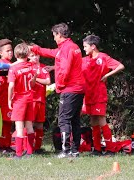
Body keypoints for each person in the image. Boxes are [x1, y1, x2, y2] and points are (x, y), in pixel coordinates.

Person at [29, 22, 85, 158]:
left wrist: (60, 84)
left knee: (64, 120)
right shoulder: (71, 46)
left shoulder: (66, 48)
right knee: (75, 120)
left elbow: (65, 70)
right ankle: (75, 150)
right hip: (78, 89)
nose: (54, 38)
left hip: (69, 89)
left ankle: (65, 151)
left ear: (59, 35)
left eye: (54, 35)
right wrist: (35, 49)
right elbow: (52, 53)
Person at [81, 34, 125, 156]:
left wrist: (107, 75)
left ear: (93, 46)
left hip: (99, 94)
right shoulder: (85, 60)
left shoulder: (103, 57)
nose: (83, 49)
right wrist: (54, 67)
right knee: (93, 121)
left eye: (85, 46)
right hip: (88, 95)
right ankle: (97, 149)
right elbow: (71, 65)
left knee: (101, 120)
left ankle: (111, 149)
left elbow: (120, 66)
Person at [7, 43, 37, 159]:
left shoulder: (13, 68)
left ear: (15, 54)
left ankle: (18, 153)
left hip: (19, 99)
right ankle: (29, 152)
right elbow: (33, 82)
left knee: (19, 127)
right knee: (29, 125)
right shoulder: (32, 66)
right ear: (28, 54)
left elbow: (11, 86)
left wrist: (9, 99)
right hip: (30, 97)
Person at [28, 48, 51, 153]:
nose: (35, 57)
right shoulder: (27, 67)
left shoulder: (43, 68)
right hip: (31, 99)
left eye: (36, 55)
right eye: (32, 56)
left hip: (41, 99)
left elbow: (48, 81)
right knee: (29, 123)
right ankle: (28, 147)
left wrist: (36, 79)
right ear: (28, 56)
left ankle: (37, 147)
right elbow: (29, 83)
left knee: (40, 124)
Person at [0, 38, 15, 154]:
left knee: (8, 122)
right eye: (7, 51)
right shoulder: (2, 64)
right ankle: (2, 146)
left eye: (11, 50)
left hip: (9, 98)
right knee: (3, 123)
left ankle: (7, 145)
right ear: (1, 53)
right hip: (2, 99)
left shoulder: (10, 64)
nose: (10, 52)